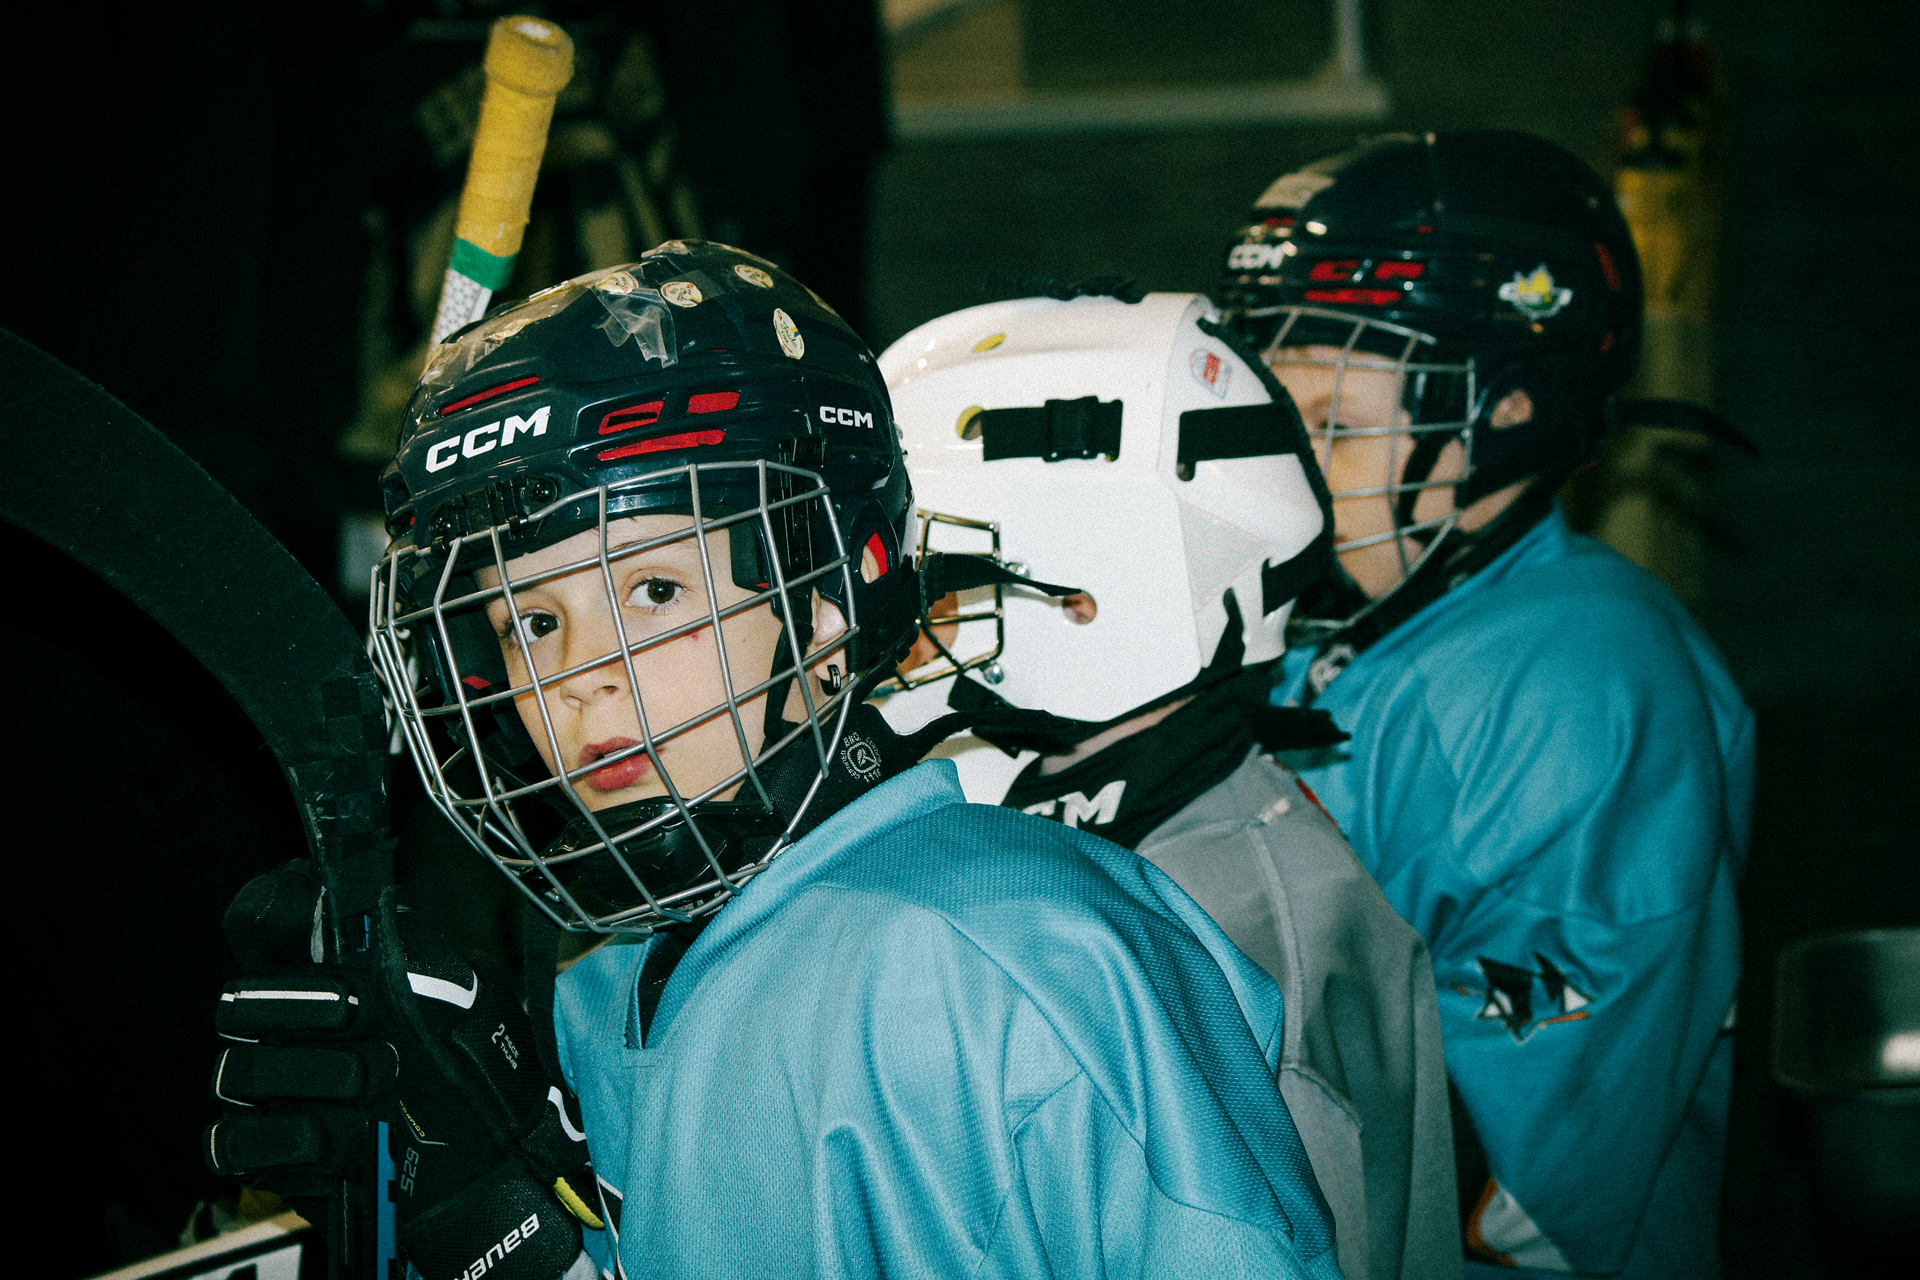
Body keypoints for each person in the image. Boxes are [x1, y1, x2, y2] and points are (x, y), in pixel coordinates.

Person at [205, 243, 1346, 1280]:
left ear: (825, 607)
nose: (581, 675)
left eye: (653, 591)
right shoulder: (614, 970)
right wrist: (492, 1218)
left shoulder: (1018, 956)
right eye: (531, 622)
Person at [1218, 131, 1754, 1278]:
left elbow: (1495, 1188)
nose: (1286, 467)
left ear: (1510, 410)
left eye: (1340, 425)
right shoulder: (1331, 618)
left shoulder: (1582, 690)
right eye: (1277, 412)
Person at [873, 288, 1462, 1280]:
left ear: (1093, 598)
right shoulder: (1145, 817)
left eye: (942, 585)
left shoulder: (1241, 938)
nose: (892, 637)